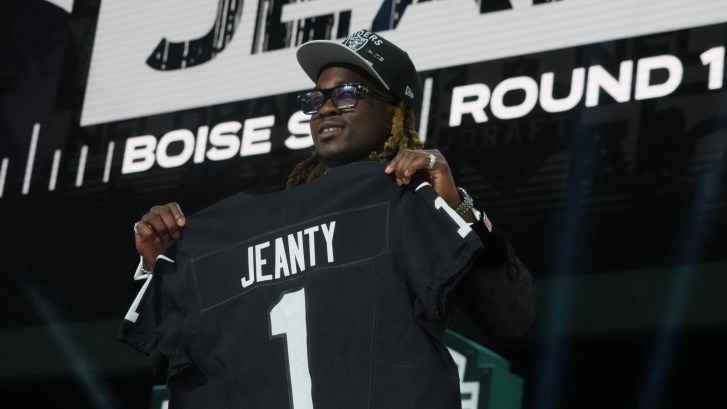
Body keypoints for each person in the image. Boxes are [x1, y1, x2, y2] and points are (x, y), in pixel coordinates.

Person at [120, 29, 536, 408]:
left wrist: (456, 208)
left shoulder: (408, 199)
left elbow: (511, 316)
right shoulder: (239, 232)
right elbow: (175, 352)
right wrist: (166, 265)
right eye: (316, 99)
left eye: (347, 94)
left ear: (395, 112)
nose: (325, 109)